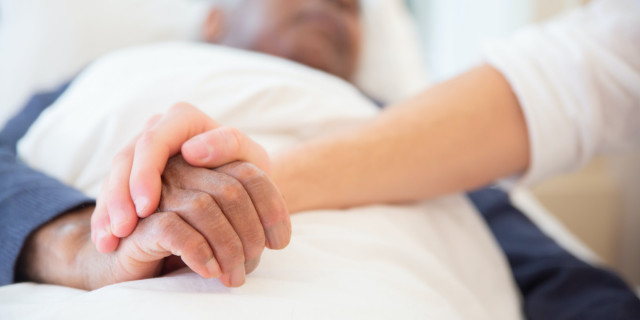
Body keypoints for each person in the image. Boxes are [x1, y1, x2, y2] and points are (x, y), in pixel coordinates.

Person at [1, 0, 639, 317]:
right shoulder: (103, 78)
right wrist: (79, 243)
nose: (339, 4)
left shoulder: (413, 134)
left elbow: (548, 275)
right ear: (216, 21)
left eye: (353, 7)